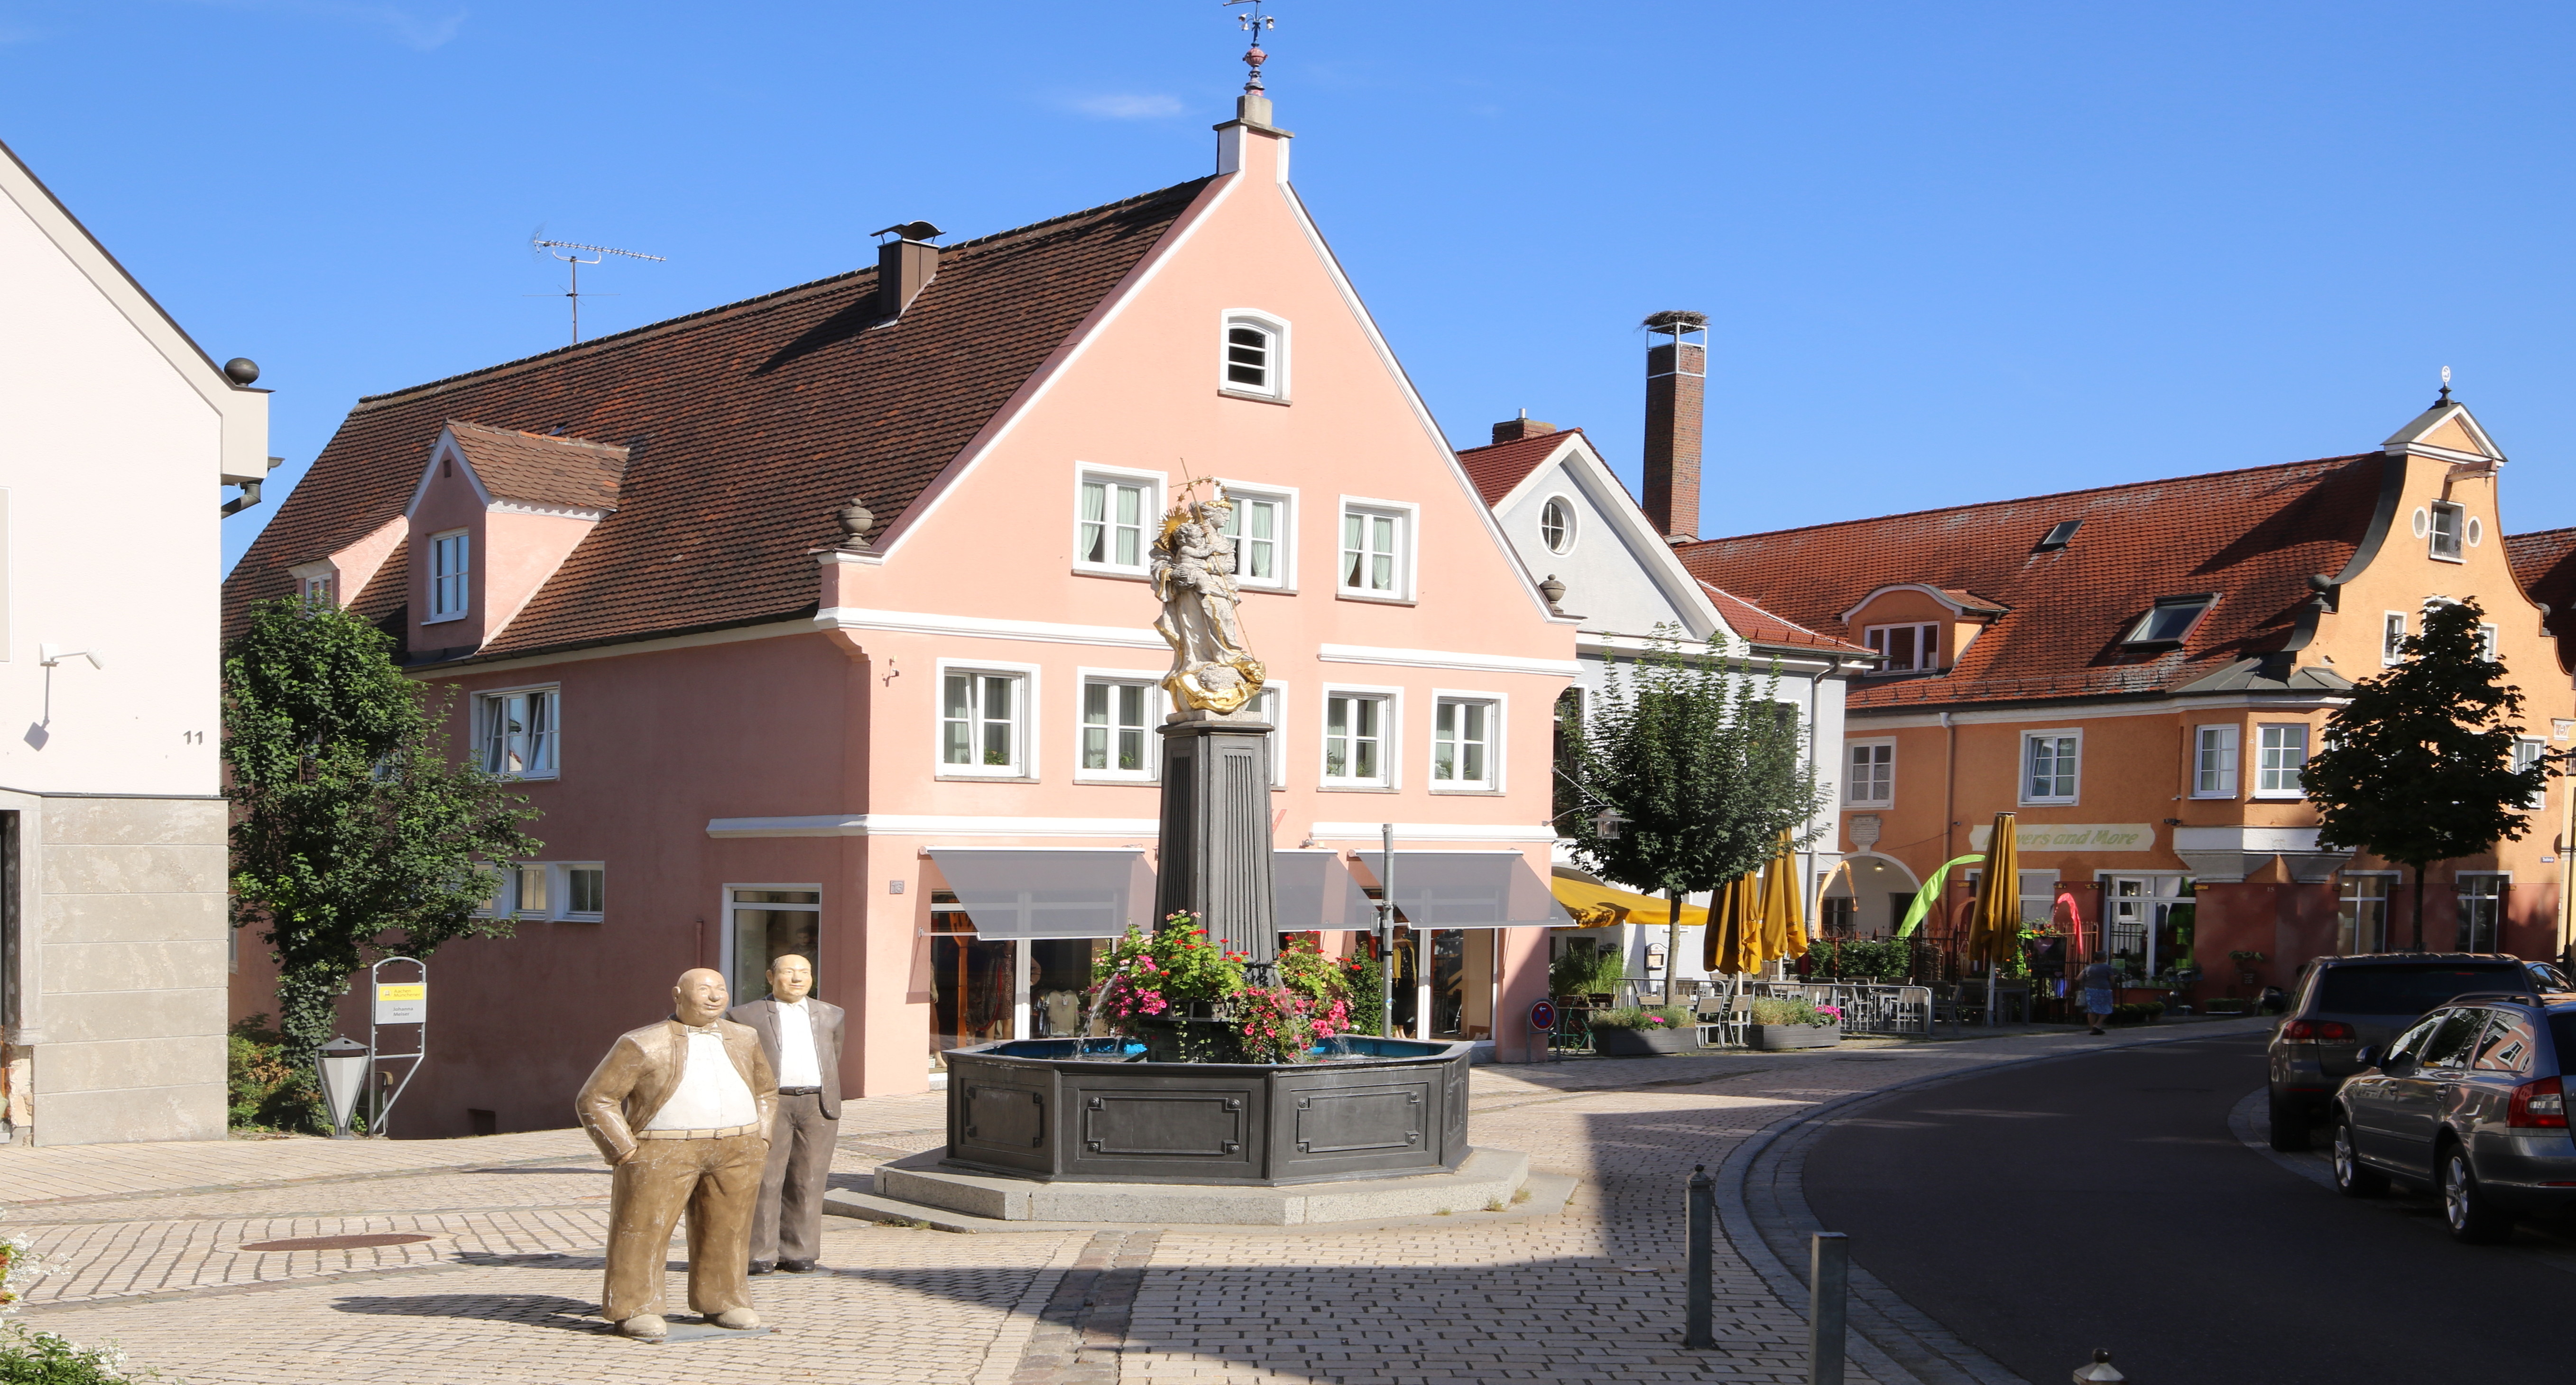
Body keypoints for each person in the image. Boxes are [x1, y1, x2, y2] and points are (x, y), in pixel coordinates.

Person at [575, 967, 777, 1340]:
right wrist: (625, 1151)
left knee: (728, 1228)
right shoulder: (642, 1042)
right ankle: (636, 1306)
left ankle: (725, 1299)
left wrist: (762, 1134)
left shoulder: (745, 1037)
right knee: (644, 1228)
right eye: (704, 989)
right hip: (663, 1147)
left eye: (721, 988)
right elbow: (596, 1098)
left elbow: (767, 1090)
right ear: (678, 994)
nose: (715, 996)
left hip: (737, 1146)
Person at [727, 954, 845, 1276]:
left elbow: (834, 1055)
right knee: (766, 1178)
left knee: (809, 1179)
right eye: (789, 972)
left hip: (817, 1105)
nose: (797, 978)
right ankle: (759, 1253)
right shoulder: (743, 1016)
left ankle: (800, 1251)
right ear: (770, 976)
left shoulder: (832, 1014)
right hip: (770, 1104)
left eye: (804, 972)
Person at [2078, 952, 2118, 1036]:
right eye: (2106, 957)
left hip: (2090, 990)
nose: (2107, 958)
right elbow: (2112, 980)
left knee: (2091, 1010)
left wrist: (2086, 983)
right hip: (2104, 990)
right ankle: (2098, 1025)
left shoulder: (2088, 967)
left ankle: (2093, 1028)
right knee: (2107, 1008)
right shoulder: (2107, 967)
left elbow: (2079, 978)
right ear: (2103, 958)